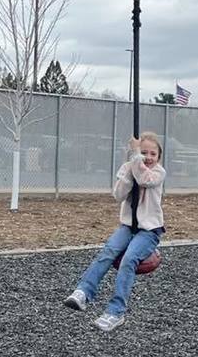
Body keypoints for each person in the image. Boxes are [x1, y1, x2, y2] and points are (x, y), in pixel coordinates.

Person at [63, 131, 166, 331]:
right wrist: (129, 173)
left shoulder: (159, 173)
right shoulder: (129, 167)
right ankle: (83, 292)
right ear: (135, 152)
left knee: (129, 260)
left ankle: (115, 312)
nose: (148, 157)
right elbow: (118, 195)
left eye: (153, 154)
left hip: (149, 231)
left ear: (159, 157)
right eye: (144, 152)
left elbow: (145, 179)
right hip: (128, 226)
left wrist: (136, 158)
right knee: (108, 251)